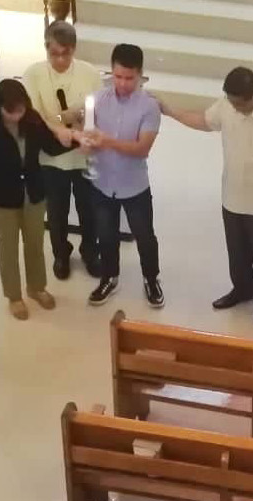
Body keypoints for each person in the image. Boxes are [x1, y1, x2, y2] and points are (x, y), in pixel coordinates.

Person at [156, 67, 253, 326]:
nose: (233, 107)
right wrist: (170, 112)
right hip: (231, 197)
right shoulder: (226, 106)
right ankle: (241, 290)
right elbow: (203, 122)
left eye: (238, 103)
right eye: (230, 102)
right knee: (237, 255)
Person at [0, 77, 76, 320]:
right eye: (10, 112)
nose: (16, 117)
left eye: (20, 110)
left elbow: (51, 147)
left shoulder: (32, 120)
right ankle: (14, 296)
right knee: (8, 248)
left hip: (33, 192)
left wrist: (77, 141)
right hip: (3, 197)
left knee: (35, 244)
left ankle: (36, 287)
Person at [82, 44, 164, 308]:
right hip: (103, 183)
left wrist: (107, 142)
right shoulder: (98, 100)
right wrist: (86, 142)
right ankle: (109, 276)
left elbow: (142, 149)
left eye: (129, 78)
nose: (123, 83)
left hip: (134, 186)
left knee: (145, 236)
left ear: (140, 74)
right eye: (117, 76)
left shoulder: (149, 107)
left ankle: (151, 278)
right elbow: (89, 136)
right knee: (106, 236)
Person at [22, 21, 100, 281]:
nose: (60, 60)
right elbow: (33, 115)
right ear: (46, 49)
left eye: (66, 53)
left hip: (83, 154)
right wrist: (59, 129)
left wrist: (80, 119)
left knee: (88, 209)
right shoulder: (33, 74)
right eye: (54, 54)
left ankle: (90, 251)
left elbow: (98, 110)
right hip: (52, 156)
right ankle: (60, 254)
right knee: (56, 211)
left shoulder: (89, 73)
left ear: (74, 49)